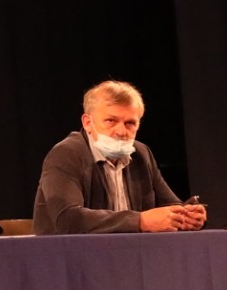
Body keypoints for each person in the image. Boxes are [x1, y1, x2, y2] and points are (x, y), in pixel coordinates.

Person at [32, 80, 207, 235]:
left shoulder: (141, 153)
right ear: (88, 123)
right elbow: (68, 220)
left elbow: (170, 205)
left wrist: (186, 217)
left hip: (129, 252)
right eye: (111, 121)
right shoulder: (66, 154)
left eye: (130, 123)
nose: (121, 131)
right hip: (68, 255)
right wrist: (140, 221)